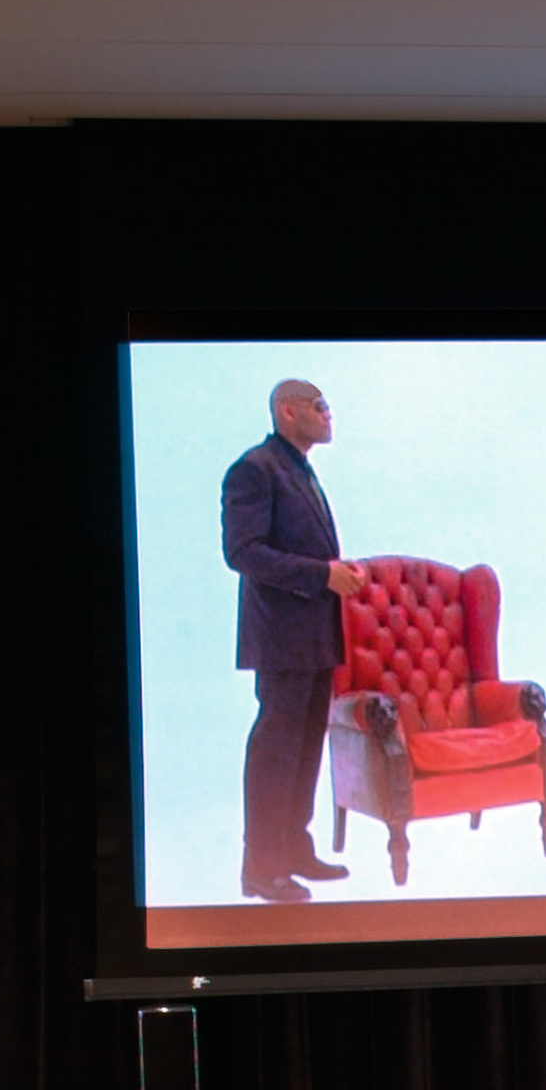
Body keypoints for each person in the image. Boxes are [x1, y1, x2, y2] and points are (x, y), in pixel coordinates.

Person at [221, 378, 366, 900]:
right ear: (288, 411)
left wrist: (332, 572)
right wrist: (321, 575)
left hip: (315, 636)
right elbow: (243, 553)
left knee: (305, 747)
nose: (329, 414)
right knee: (276, 751)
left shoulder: (299, 469)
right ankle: (260, 869)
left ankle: (294, 850)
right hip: (282, 639)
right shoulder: (255, 468)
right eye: (319, 405)